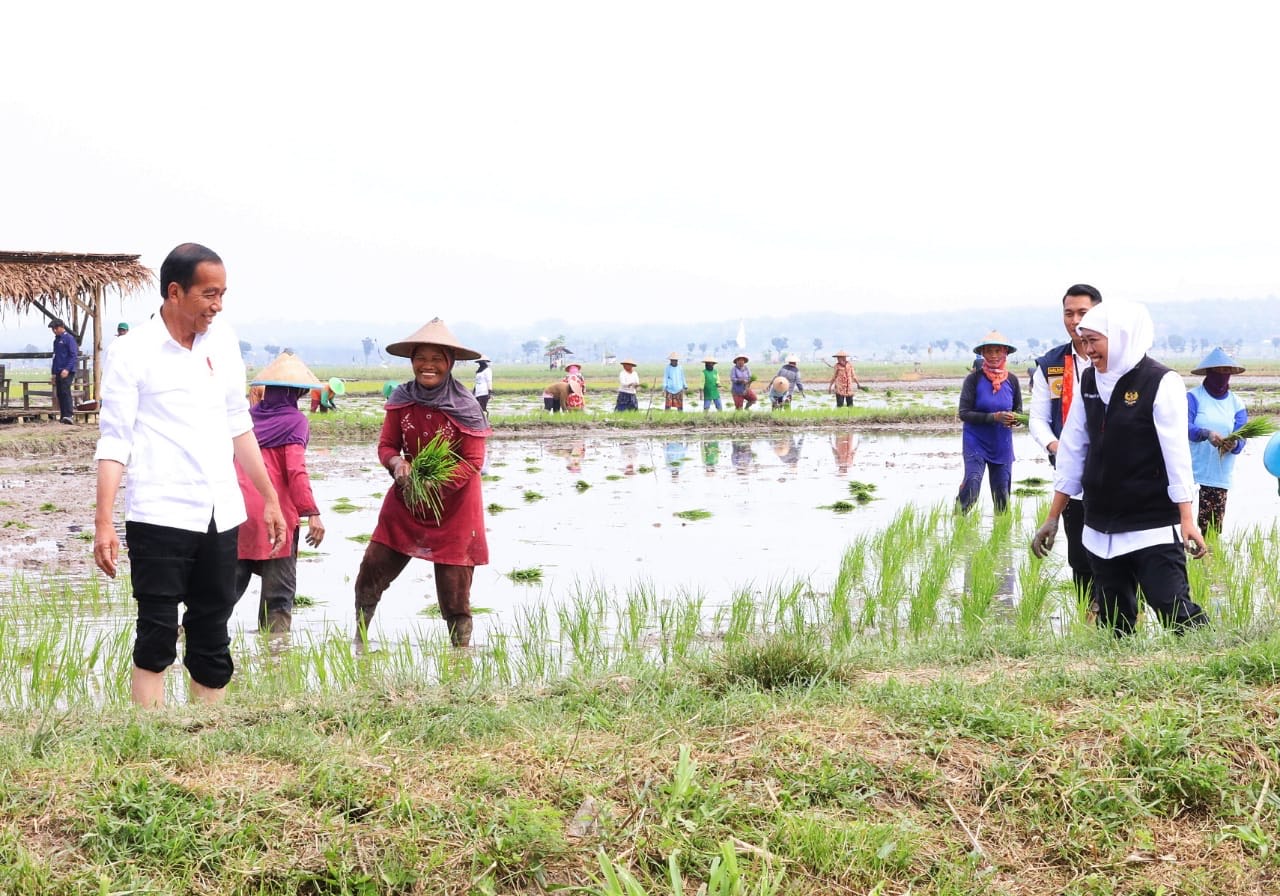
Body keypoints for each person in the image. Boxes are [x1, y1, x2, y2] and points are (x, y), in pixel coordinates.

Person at [93, 242, 285, 708]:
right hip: (159, 512)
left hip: (221, 512)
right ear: (174, 292)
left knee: (212, 630)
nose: (217, 306)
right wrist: (103, 523)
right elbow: (115, 441)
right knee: (156, 630)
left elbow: (239, 424)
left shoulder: (223, 343)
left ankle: (207, 737)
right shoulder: (131, 352)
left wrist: (270, 498)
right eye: (209, 294)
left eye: (223, 294)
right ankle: (152, 740)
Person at [1031, 302, 1209, 637]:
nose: (1088, 349)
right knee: (1115, 620)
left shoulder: (1160, 382)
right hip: (1100, 525)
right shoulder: (1089, 381)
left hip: (1150, 522)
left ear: (1122, 337)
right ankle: (1120, 679)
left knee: (1172, 607)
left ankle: (1217, 660)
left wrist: (1187, 518)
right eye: (1084, 341)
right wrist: (1053, 517)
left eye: (1094, 340)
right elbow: (1072, 449)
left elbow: (1176, 455)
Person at [353, 318, 491, 648]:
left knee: (454, 588)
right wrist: (397, 463)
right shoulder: (402, 398)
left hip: (455, 508)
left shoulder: (466, 407)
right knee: (372, 569)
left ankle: (460, 656)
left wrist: (435, 486)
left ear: (450, 363)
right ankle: (358, 641)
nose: (427, 366)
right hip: (407, 500)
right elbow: (387, 445)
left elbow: (472, 461)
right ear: (412, 361)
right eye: (421, 359)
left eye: (436, 359)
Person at [234, 352, 326, 635]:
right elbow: (295, 471)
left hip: (236, 512)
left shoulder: (246, 419)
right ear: (296, 393)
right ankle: (276, 658)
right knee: (278, 597)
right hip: (275, 515)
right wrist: (312, 512)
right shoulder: (295, 421)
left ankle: (184, 640)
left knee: (221, 595)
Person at [1029, 284, 1102, 600]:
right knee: (1080, 555)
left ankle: (1127, 618)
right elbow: (1038, 420)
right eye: (1068, 313)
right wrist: (1056, 447)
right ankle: (1090, 620)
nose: (1074, 320)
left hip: (1114, 474)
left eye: (1082, 313)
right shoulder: (1052, 365)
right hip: (1070, 478)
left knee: (1121, 554)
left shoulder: (1118, 359)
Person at [956, 331, 1022, 513]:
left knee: (1002, 497)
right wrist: (994, 417)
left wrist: (1014, 419)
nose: (993, 355)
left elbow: (1018, 411)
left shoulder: (1013, 381)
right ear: (982, 354)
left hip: (1002, 444)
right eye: (989, 351)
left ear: (1005, 353)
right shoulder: (973, 380)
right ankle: (956, 522)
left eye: (998, 351)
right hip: (975, 442)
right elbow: (964, 413)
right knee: (972, 487)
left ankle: (1001, 536)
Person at [1187, 347, 1248, 533]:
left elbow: (1242, 435)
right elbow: (1184, 427)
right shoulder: (1193, 397)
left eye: (1227, 371)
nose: (1223, 375)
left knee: (1211, 530)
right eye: (1219, 371)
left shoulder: (1236, 403)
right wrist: (1206, 433)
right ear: (1209, 372)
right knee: (1181, 526)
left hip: (1218, 474)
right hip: (1190, 472)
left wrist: (1234, 444)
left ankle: (1208, 562)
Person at [49, 318, 78, 424]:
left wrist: (67, 369)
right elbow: (55, 357)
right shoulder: (56, 340)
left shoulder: (69, 339)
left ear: (62, 327)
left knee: (66, 391)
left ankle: (69, 415)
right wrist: (53, 373)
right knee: (60, 393)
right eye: (53, 329)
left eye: (56, 328)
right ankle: (63, 415)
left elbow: (73, 355)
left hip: (67, 370)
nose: (54, 330)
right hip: (58, 370)